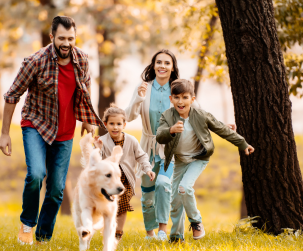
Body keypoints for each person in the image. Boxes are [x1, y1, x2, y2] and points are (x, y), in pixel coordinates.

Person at [0, 16, 103, 244]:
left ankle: (43, 237)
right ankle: (27, 223)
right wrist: (5, 133)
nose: (66, 43)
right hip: (36, 125)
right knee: (36, 174)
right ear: (52, 37)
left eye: (71, 38)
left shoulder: (82, 59)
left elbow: (86, 85)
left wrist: (86, 117)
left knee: (56, 190)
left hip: (64, 132)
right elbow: (11, 95)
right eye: (62, 38)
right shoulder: (35, 61)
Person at [156, 79, 255, 244]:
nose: (181, 101)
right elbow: (159, 135)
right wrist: (170, 130)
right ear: (170, 99)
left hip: (199, 158)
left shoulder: (200, 115)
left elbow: (221, 129)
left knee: (184, 187)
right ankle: (176, 236)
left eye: (185, 97)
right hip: (180, 160)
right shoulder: (167, 116)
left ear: (192, 99)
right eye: (177, 97)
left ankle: (196, 222)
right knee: (175, 200)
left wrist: (242, 143)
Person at [125, 49, 198, 240]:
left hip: (170, 148)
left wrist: (223, 126)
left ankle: (163, 231)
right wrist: (139, 98)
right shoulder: (144, 87)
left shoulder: (177, 89)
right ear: (153, 64)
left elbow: (197, 113)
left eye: (167, 63)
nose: (162, 66)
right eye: (159, 62)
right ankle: (150, 232)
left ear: (173, 67)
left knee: (164, 184)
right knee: (147, 194)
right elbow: (128, 116)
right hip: (147, 146)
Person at [93, 104, 156, 243]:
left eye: (118, 124)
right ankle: (108, 229)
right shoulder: (102, 141)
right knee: (108, 206)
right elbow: (94, 162)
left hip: (125, 181)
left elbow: (142, 156)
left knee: (122, 206)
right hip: (108, 181)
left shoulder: (131, 141)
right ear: (105, 124)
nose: (115, 127)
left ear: (124, 125)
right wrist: (97, 149)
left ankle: (118, 233)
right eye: (111, 124)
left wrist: (148, 169)